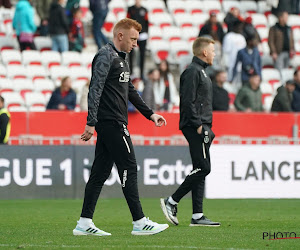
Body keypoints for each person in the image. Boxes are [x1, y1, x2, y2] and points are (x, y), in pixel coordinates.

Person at [73, 18, 169, 236]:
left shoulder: (121, 59)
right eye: (133, 39)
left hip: (112, 122)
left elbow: (131, 91)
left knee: (100, 173)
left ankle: (84, 223)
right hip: (112, 122)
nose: (136, 43)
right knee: (129, 166)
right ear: (120, 36)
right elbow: (94, 89)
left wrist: (150, 114)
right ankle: (139, 222)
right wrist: (91, 122)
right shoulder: (105, 56)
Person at [160, 37, 220, 227]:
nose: (214, 54)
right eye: (212, 50)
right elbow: (187, 101)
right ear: (204, 52)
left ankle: (197, 215)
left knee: (200, 168)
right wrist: (199, 125)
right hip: (196, 126)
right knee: (204, 167)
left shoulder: (201, 71)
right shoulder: (193, 71)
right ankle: (171, 201)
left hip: (202, 125)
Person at [127, 0, 149, 79]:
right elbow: (127, 21)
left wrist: (146, 33)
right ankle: (131, 72)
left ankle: (141, 73)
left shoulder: (144, 10)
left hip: (142, 35)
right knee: (131, 54)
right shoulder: (130, 9)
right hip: (133, 35)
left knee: (142, 55)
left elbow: (147, 22)